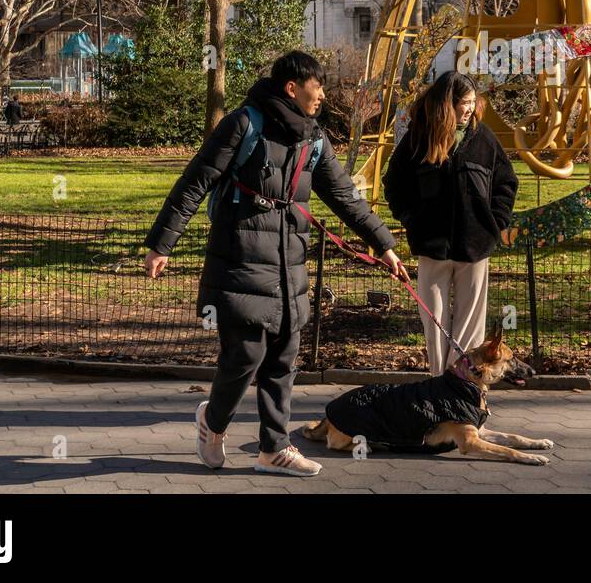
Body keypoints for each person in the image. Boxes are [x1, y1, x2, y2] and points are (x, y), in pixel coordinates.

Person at [143, 51, 407, 477]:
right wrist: (162, 244)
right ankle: (212, 424)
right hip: (239, 260)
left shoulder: (313, 138)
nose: (322, 93)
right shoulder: (244, 125)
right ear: (292, 88)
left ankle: (273, 449)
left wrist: (384, 244)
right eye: (317, 85)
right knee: (244, 356)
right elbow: (194, 182)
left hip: (290, 265)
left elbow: (345, 197)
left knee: (284, 358)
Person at [384, 71, 518, 377]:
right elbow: (394, 184)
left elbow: (506, 182)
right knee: (435, 321)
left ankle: (466, 387)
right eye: (463, 103)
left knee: (471, 327)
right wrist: (411, 219)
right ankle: (439, 384)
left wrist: (494, 222)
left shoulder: (484, 138)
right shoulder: (419, 138)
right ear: (447, 104)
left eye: (473, 102)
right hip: (432, 247)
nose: (469, 109)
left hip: (475, 244)